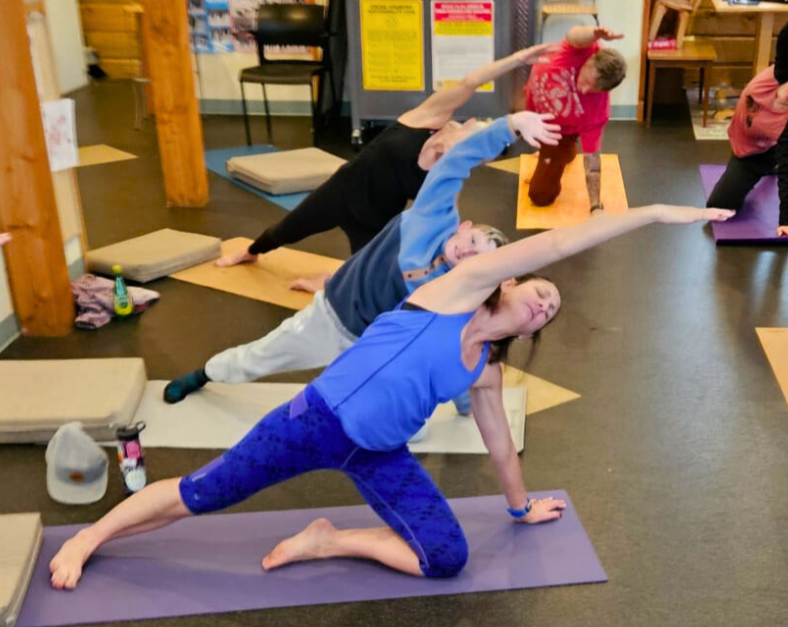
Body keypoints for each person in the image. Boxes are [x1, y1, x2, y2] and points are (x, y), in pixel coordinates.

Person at [49, 204, 734, 590]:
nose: (545, 303)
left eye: (551, 312)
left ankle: (329, 539)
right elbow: (560, 238)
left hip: (379, 453)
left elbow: (499, 443)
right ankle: (92, 535)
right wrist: (650, 213)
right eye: (542, 290)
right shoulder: (454, 291)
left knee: (446, 557)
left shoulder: (486, 370)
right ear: (516, 282)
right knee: (203, 493)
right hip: (313, 421)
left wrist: (522, 507)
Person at [162, 112, 561, 418]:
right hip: (332, 317)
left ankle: (459, 405)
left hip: (377, 346)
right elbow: (458, 162)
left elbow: (459, 344)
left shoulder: (459, 284)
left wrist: (465, 402)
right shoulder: (433, 214)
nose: (469, 254)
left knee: (411, 408)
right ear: (465, 226)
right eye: (473, 241)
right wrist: (512, 123)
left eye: (481, 258)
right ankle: (204, 374)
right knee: (262, 356)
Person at [216, 42, 560, 293]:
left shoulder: (445, 177)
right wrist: (518, 59)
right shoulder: (425, 118)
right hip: (340, 192)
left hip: (374, 222)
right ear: (466, 122)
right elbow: (470, 82)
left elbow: (444, 226)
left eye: (480, 152)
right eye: (479, 132)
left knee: (363, 278)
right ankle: (249, 253)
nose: (477, 148)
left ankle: (322, 283)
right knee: (284, 230)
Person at [705, 5, 788, 238]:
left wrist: (786, 221)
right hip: (741, 134)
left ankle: (766, 167)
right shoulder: (783, 73)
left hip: (754, 156)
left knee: (718, 207)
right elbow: (785, 42)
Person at [525, 25, 627, 212]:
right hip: (534, 108)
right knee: (548, 146)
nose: (585, 90)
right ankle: (566, 153)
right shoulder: (582, 50)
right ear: (589, 60)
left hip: (557, 132)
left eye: (594, 90)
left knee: (539, 196)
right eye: (587, 81)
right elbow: (574, 34)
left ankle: (564, 149)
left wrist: (595, 206)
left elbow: (592, 160)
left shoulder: (598, 112)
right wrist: (594, 33)